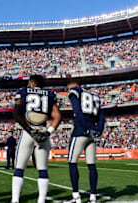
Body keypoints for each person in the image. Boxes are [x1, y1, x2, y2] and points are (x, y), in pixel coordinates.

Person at [12, 75, 61, 203]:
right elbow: (58, 116)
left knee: (19, 168)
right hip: (43, 131)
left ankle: (15, 200)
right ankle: (41, 200)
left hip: (29, 131)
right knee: (42, 169)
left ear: (32, 83)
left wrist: (29, 130)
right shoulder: (49, 94)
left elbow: (17, 114)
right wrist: (48, 132)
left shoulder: (23, 91)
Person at [64, 80, 105, 203]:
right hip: (93, 132)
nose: (67, 89)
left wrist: (85, 128)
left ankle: (76, 196)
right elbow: (101, 117)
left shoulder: (75, 91)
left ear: (75, 85)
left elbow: (78, 112)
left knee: (72, 162)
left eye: (68, 87)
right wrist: (98, 131)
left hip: (81, 131)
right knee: (91, 164)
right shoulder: (95, 96)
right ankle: (93, 196)